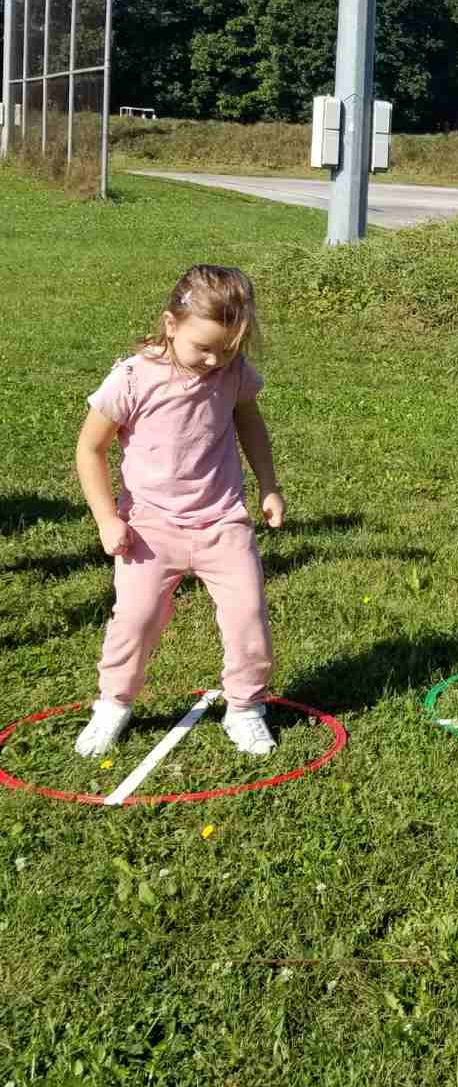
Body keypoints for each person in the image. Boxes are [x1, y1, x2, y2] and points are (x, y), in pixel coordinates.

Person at [72, 265, 285, 759]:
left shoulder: (232, 371)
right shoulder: (132, 378)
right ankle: (114, 703)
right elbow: (89, 449)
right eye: (204, 348)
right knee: (136, 619)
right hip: (150, 527)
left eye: (228, 349)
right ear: (171, 325)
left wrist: (269, 486)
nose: (215, 360)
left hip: (223, 521)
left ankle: (245, 707)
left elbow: (250, 422)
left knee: (248, 615)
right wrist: (107, 518)